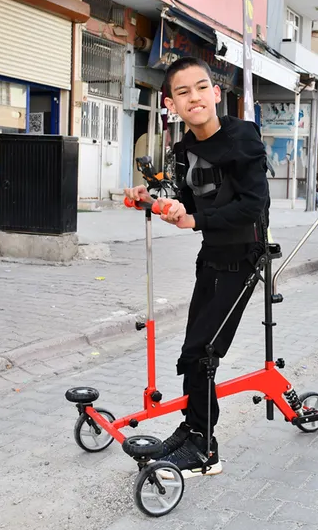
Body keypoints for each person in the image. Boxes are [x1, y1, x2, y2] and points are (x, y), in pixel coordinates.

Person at [123, 56, 270, 476]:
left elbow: (252, 204)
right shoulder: (183, 151)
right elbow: (186, 203)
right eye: (183, 92)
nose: (194, 98)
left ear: (216, 93)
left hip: (244, 259)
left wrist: (195, 219)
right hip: (212, 259)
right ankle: (192, 430)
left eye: (201, 88)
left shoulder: (243, 137)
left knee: (205, 352)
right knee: (192, 353)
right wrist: (152, 200)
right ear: (172, 103)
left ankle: (206, 449)